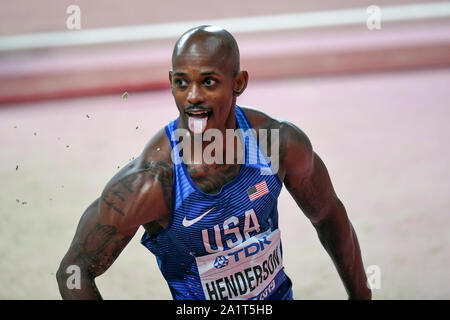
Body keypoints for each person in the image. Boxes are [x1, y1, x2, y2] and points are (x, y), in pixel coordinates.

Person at [56, 25, 371, 300]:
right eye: (182, 83)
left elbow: (328, 213)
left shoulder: (277, 144)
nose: (193, 96)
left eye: (208, 82)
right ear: (170, 82)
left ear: (238, 83)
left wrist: (361, 295)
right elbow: (74, 272)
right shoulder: (152, 183)